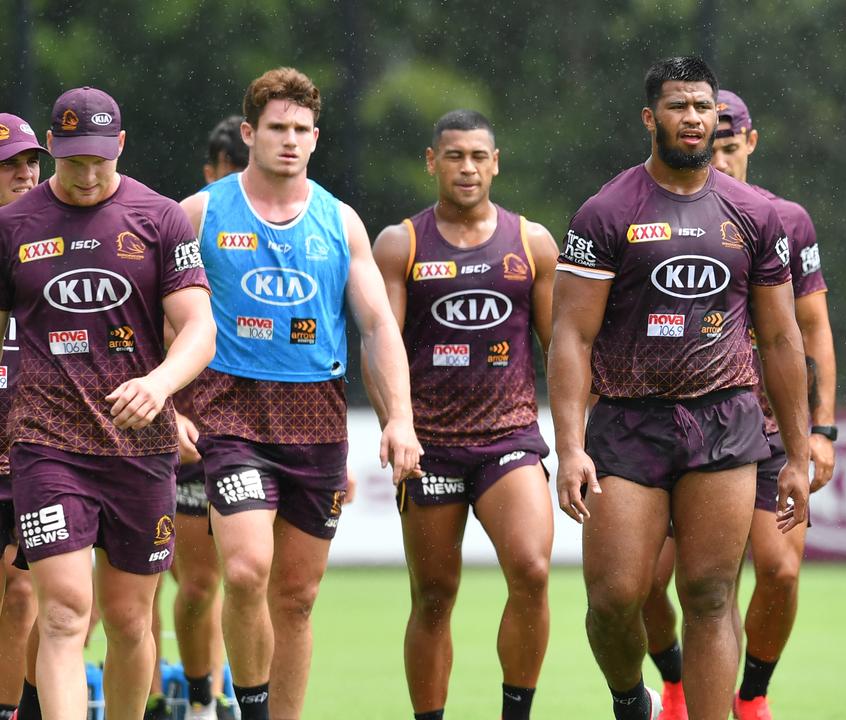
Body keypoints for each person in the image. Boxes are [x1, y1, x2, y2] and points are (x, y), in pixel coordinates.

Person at [549, 56, 810, 720]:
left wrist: (802, 455)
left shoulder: (754, 213)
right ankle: (627, 698)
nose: (693, 119)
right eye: (678, 107)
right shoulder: (607, 212)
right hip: (628, 426)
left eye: (703, 108)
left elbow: (782, 341)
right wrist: (572, 447)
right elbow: (572, 339)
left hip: (724, 422)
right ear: (650, 118)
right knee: (614, 599)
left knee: (710, 594)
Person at [178, 67, 421, 720]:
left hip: (316, 423)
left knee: (296, 598)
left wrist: (400, 420)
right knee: (249, 570)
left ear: (316, 138)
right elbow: (155, 316)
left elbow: (376, 327)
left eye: (301, 130)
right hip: (228, 418)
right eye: (277, 128)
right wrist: (169, 403)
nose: (289, 140)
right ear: (250, 133)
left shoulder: (340, 222)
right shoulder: (199, 214)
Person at [0, 86, 216, 720]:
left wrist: (161, 385)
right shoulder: (12, 225)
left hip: (140, 447)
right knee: (66, 613)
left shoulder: (160, 218)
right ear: (54, 149)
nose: (88, 174)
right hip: (46, 444)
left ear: (120, 145)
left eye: (100, 159)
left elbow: (200, 327)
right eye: (72, 161)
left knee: (127, 622)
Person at [633, 88, 836, 720]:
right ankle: (673, 681)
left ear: (749, 143)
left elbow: (812, 329)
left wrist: (822, 427)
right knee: (640, 583)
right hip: (679, 423)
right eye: (708, 146)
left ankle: (750, 696)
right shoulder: (649, 212)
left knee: (778, 571)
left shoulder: (783, 219)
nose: (717, 160)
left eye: (727, 146)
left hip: (770, 427)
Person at [367, 109, 559, 720]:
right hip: (431, 449)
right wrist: (395, 424)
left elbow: (564, 346)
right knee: (433, 599)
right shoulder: (401, 243)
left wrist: (586, 432)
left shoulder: (532, 242)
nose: (467, 167)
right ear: (432, 162)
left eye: (479, 155)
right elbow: (379, 344)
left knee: (531, 570)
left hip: (510, 439)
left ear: (496, 162)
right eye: (454, 156)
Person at [169, 114, 251, 720]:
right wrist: (169, 408)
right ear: (211, 173)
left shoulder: (293, 232)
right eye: (228, 173)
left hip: (264, 429)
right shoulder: (186, 222)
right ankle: (195, 700)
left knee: (252, 579)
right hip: (193, 428)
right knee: (195, 584)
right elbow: (154, 327)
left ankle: (234, 700)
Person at [0, 113, 46, 720]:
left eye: (31, 161)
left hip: (36, 448)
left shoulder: (52, 243)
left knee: (22, 592)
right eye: (10, 163)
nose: (25, 173)